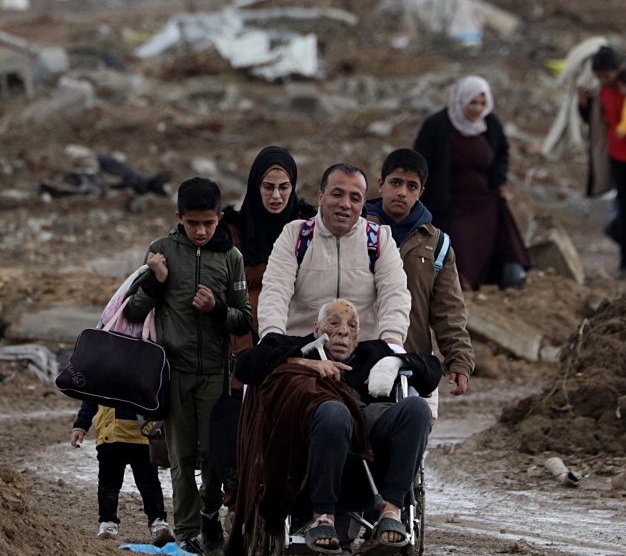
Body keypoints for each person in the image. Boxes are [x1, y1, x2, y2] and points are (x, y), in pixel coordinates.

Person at [228, 299, 440, 555]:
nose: (343, 331)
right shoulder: (293, 346)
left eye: (352, 326)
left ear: (358, 335)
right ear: (317, 329)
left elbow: (431, 372)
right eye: (334, 323)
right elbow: (245, 366)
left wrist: (396, 363)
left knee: (417, 409)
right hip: (310, 446)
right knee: (333, 410)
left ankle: (391, 511)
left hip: (368, 446)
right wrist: (305, 363)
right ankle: (322, 517)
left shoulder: (372, 353)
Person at [124, 177, 253, 555]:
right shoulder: (160, 251)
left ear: (219, 219)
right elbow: (132, 311)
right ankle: (187, 533)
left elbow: (244, 320)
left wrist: (216, 310)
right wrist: (157, 283)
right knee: (180, 456)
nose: (200, 231)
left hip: (215, 371)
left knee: (215, 456)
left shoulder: (231, 258)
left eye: (208, 223)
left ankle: (210, 513)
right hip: (173, 371)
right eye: (192, 223)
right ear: (178, 216)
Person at [258, 163, 411, 350]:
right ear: (321, 197)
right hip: (304, 352)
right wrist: (272, 337)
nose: (345, 204)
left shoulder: (379, 239)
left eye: (355, 198)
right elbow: (275, 290)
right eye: (337, 194)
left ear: (363, 205)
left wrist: (392, 340)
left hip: (362, 353)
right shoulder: (295, 236)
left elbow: (395, 293)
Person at [364, 148, 476, 401]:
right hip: (359, 358)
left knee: (410, 430)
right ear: (381, 184)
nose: (402, 192)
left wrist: (459, 360)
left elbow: (448, 309)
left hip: (411, 362)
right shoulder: (356, 230)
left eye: (411, 186)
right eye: (395, 183)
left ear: (421, 192)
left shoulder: (437, 245)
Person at [412, 75, 532, 290]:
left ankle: (509, 277)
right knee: (459, 248)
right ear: (461, 100)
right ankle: (459, 285)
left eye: (482, 103)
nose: (477, 109)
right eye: (472, 102)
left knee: (503, 227)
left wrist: (500, 180)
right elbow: (420, 162)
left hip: (483, 198)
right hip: (450, 202)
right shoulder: (436, 125)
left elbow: (502, 152)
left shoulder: (489, 124)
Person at [222, 145, 317, 354]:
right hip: (243, 341)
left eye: (284, 187)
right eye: (268, 187)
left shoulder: (309, 229)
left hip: (295, 337)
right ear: (256, 187)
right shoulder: (231, 232)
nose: (276, 196)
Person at [577, 46, 626, 278]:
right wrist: (583, 105)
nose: (603, 80)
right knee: (625, 207)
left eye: (606, 75)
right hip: (617, 156)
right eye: (599, 76)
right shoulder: (603, 92)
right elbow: (595, 120)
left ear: (618, 69)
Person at [71, 403, 173, 546]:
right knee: (109, 484)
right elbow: (90, 399)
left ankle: (158, 523)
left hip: (142, 435)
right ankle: (107, 523)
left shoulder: (147, 379)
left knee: (149, 484)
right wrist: (80, 426)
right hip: (111, 436)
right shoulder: (101, 379)